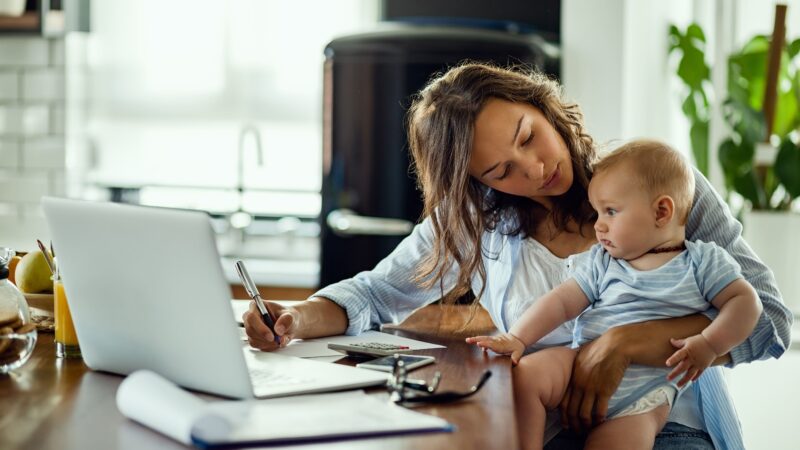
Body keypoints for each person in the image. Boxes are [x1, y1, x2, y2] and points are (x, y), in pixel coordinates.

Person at [243, 63, 792, 449]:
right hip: (546, 426)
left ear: (542, 105)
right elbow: (371, 293)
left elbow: (769, 321)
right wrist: (293, 318)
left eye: (529, 137)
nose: (533, 170)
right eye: (500, 171)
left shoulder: (659, 187)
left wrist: (621, 344)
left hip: (666, 424)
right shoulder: (479, 220)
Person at [466, 140, 763, 449]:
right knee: (526, 377)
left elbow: (747, 303)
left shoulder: (702, 262)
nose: (599, 226)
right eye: (597, 213)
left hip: (643, 397)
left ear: (661, 211)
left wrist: (710, 344)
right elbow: (562, 301)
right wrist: (518, 338)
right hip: (582, 362)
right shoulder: (604, 261)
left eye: (610, 211)